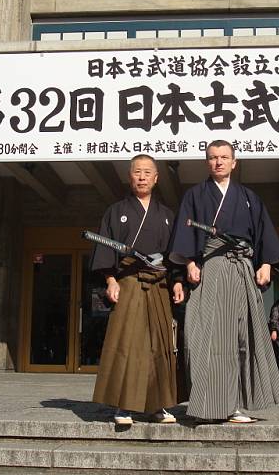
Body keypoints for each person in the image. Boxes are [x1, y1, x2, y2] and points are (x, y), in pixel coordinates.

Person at [169, 140, 279, 423]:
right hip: (212, 268)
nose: (218, 162)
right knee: (206, 338)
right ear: (206, 163)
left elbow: (263, 233)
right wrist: (190, 262)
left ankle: (235, 405)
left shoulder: (248, 197)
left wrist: (266, 263)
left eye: (224, 157)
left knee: (243, 337)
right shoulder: (195, 195)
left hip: (243, 268)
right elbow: (185, 233)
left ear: (235, 162)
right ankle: (206, 405)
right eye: (212, 157)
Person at [90, 154, 184, 425]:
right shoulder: (115, 211)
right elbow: (105, 250)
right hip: (128, 281)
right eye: (137, 172)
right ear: (129, 177)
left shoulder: (167, 215)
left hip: (159, 284)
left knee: (160, 343)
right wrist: (110, 280)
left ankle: (157, 405)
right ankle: (123, 406)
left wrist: (177, 281)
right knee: (127, 342)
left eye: (147, 173)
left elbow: (175, 255)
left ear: (156, 179)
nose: (142, 177)